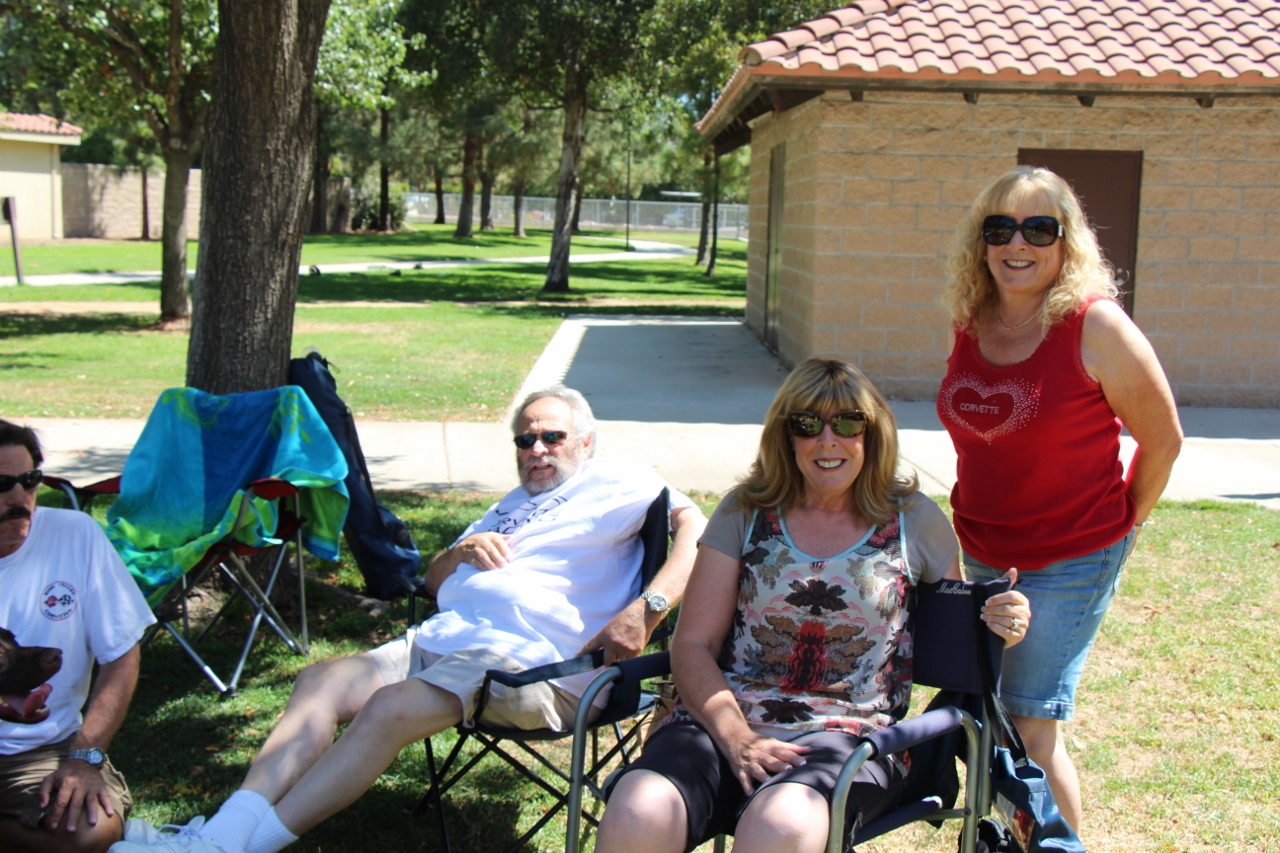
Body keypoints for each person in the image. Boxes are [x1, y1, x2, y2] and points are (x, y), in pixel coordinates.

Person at [114, 385, 706, 853]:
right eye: (525, 440)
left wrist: (647, 609)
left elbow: (697, 529)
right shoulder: (510, 505)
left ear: (586, 442)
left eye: (552, 436)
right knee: (318, 682)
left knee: (388, 707)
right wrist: (461, 552)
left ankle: (236, 846)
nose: (537, 450)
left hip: (534, 664)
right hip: (447, 641)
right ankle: (223, 832)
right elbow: (433, 581)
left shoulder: (619, 481)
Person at [596, 359, 1030, 853]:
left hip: (849, 737)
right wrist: (737, 739)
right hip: (724, 723)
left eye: (847, 423)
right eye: (807, 424)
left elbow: (957, 638)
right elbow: (694, 643)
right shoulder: (745, 510)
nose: (827, 440)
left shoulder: (915, 520)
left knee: (782, 822)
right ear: (786, 436)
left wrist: (1001, 621)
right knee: (639, 808)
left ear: (872, 433)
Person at [935, 166, 1183, 833]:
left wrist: (1123, 523)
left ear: (1066, 240)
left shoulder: (1094, 326)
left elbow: (1163, 440)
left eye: (1039, 228)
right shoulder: (972, 319)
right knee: (991, 713)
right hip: (986, 550)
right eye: (1000, 228)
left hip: (1070, 557)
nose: (1018, 243)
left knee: (1030, 724)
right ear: (981, 242)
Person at [0, 420, 156, 853]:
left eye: (30, 480)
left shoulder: (75, 534)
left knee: (92, 831)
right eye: (2, 484)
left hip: (42, 750)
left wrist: (85, 757)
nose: (20, 498)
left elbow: (121, 655)